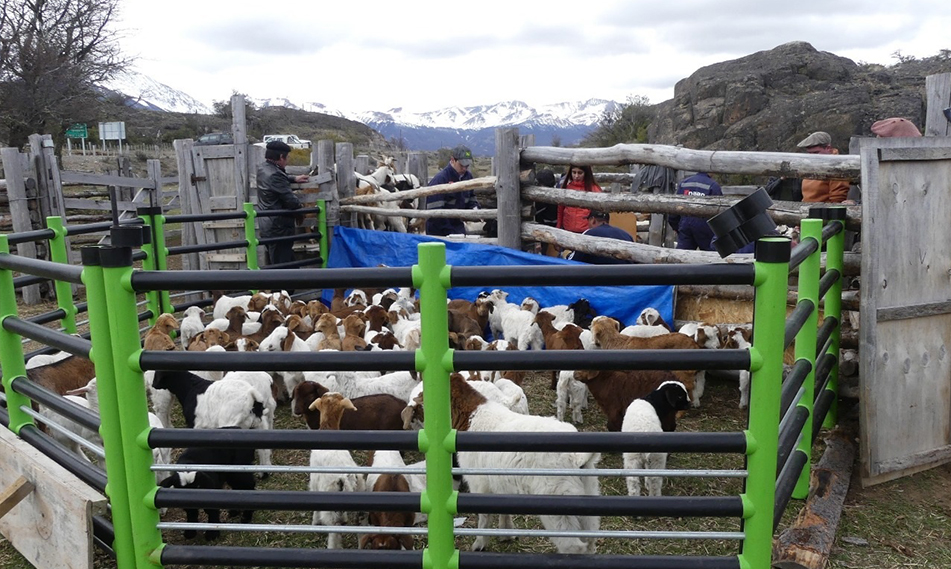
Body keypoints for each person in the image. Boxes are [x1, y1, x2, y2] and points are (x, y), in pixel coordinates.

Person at [256, 140, 308, 266]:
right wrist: (302, 207)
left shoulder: (263, 169)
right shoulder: (276, 175)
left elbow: (276, 179)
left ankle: (289, 284)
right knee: (282, 264)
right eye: (287, 157)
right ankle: (283, 286)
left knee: (284, 261)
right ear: (281, 157)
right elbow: (291, 201)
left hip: (268, 224)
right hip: (279, 226)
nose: (288, 160)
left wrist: (293, 178)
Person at [425, 145, 479, 236]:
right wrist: (450, 232)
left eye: (467, 165)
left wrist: (475, 208)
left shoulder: (468, 177)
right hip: (438, 231)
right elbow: (435, 213)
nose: (464, 168)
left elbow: (471, 197)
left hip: (457, 227)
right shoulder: (440, 179)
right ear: (453, 160)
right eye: (462, 165)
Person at [667, 171, 722, 251]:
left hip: (685, 225)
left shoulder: (684, 183)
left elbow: (675, 209)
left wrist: (676, 226)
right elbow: (719, 214)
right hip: (705, 227)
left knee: (682, 256)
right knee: (709, 257)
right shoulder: (713, 185)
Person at [796, 131, 850, 203]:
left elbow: (837, 199)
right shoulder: (810, 165)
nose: (812, 156)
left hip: (823, 212)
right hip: (806, 209)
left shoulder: (837, 167)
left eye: (816, 152)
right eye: (809, 153)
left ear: (828, 148)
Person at [568, 211, 635, 264]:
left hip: (598, 278)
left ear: (592, 220)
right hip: (626, 277)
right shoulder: (626, 235)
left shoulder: (588, 234)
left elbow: (572, 261)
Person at [557, 164, 602, 233]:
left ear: (586, 173)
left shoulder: (594, 189)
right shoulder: (567, 187)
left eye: (580, 173)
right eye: (574, 172)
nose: (576, 176)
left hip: (586, 231)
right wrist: (558, 227)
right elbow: (560, 209)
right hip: (567, 229)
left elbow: (600, 213)